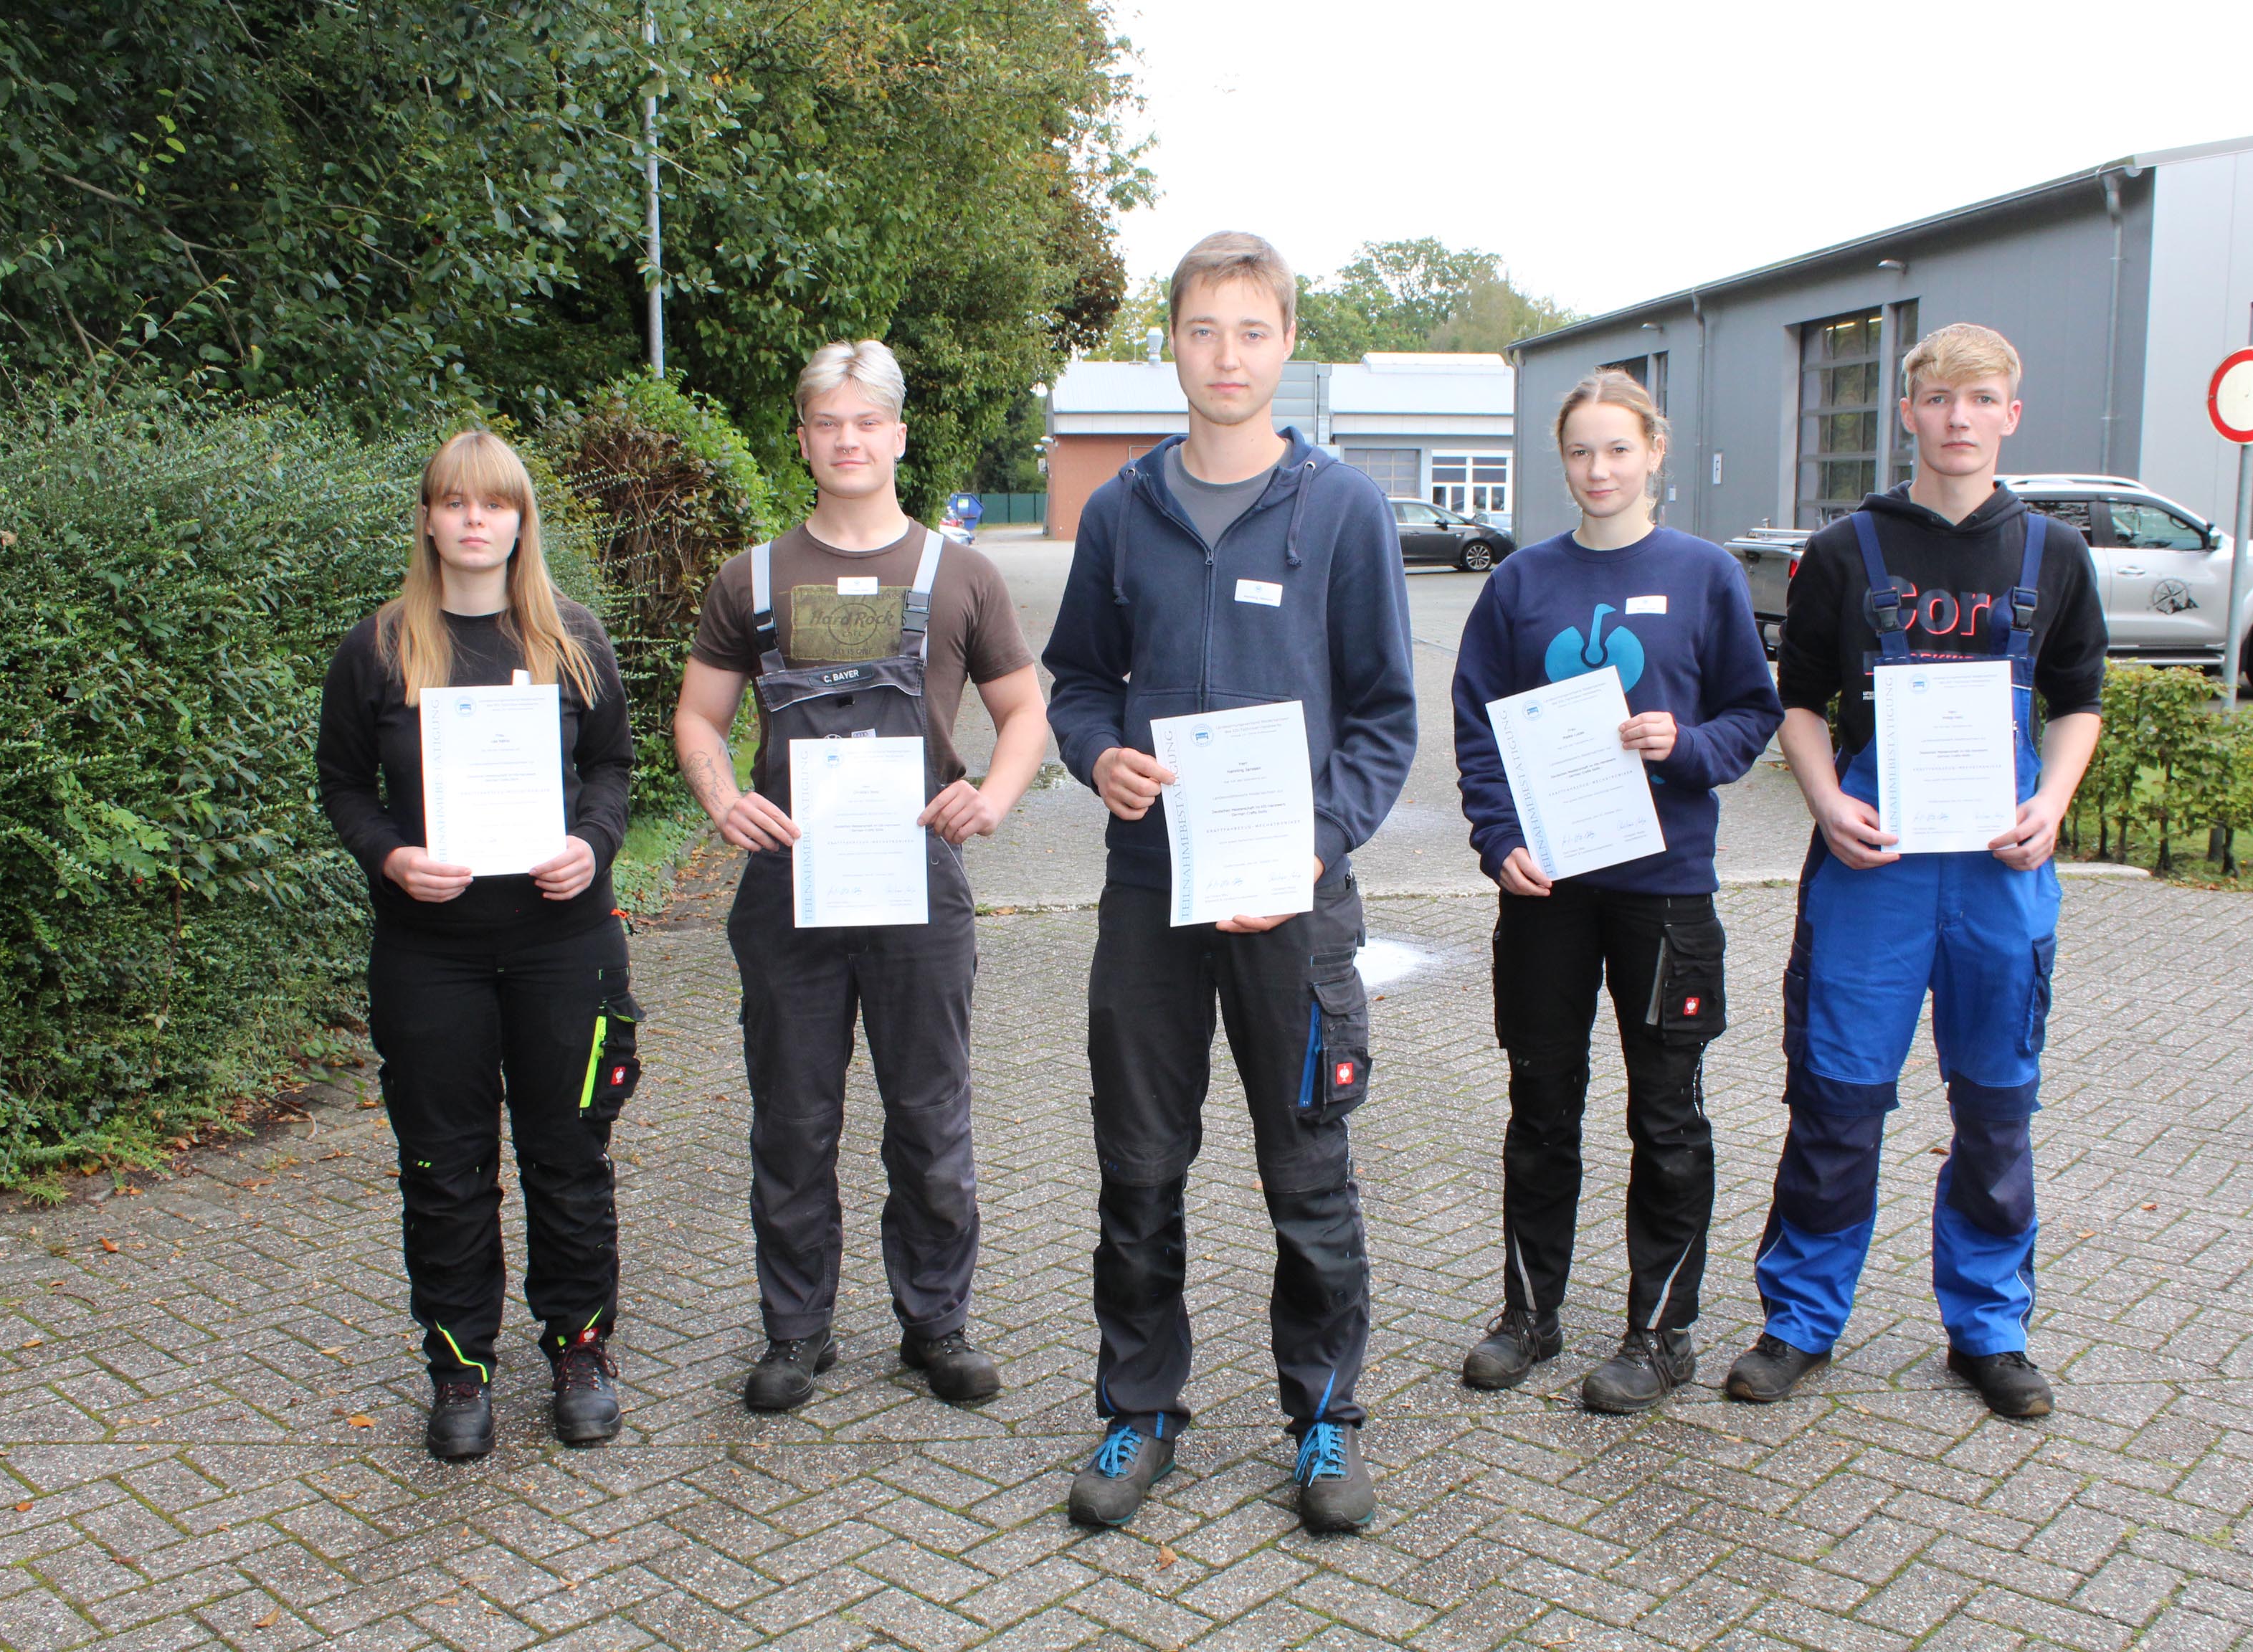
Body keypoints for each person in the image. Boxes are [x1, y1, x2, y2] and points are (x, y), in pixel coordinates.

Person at [1042, 231, 1416, 1534]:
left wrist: (1318, 844)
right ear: (1172, 344)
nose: (1227, 356)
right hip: (1152, 892)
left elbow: (1383, 718)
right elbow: (1076, 681)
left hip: (1291, 898)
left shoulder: (1344, 510)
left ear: (1287, 344)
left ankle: (1325, 1420)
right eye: (1204, 330)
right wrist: (1098, 757)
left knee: (1308, 1168)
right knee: (1140, 1166)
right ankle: (1140, 1409)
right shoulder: (1119, 512)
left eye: (1252, 330)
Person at [1731, 323, 2106, 1420]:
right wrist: (1823, 797)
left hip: (2000, 871)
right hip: (1874, 869)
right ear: (1909, 413)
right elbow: (1799, 701)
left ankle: (1989, 1330)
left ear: (2011, 414)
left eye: (1981, 399)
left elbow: (2080, 702)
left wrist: (2053, 803)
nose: (1958, 418)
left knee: (1996, 1110)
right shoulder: (1846, 551)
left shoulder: (2054, 554)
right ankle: (1801, 1320)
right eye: (1939, 398)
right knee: (1836, 1104)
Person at [674, 340, 1049, 1416]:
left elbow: (1024, 711)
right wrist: (721, 798)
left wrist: (995, 795)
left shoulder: (960, 574)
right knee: (793, 1119)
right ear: (803, 440)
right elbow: (697, 716)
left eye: (866, 422)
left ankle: (936, 1324)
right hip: (787, 881)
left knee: (929, 1114)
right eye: (827, 423)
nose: (848, 440)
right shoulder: (749, 579)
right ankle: (797, 1332)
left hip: (915, 878)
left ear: (897, 436)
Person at [1451, 371, 1783, 1411]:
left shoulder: (1704, 575)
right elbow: (1478, 727)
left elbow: (1753, 716)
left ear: (1655, 453)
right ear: (1563, 462)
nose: (1599, 470)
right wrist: (1498, 839)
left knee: (1667, 1116)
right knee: (1541, 1106)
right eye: (1581, 452)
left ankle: (1661, 1333)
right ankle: (1530, 1316)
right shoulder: (1520, 584)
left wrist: (1685, 744)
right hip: (1548, 888)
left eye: (1618, 449)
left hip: (1665, 890)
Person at [318, 430, 639, 1461]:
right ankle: (460, 1368)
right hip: (431, 953)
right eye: (454, 502)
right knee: (444, 1167)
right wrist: (391, 856)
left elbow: (614, 768)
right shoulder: (378, 648)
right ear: (426, 519)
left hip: (563, 943)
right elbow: (341, 787)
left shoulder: (571, 637)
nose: (472, 520)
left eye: (493, 504)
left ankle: (580, 1350)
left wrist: (592, 846)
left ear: (519, 522)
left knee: (569, 1156)